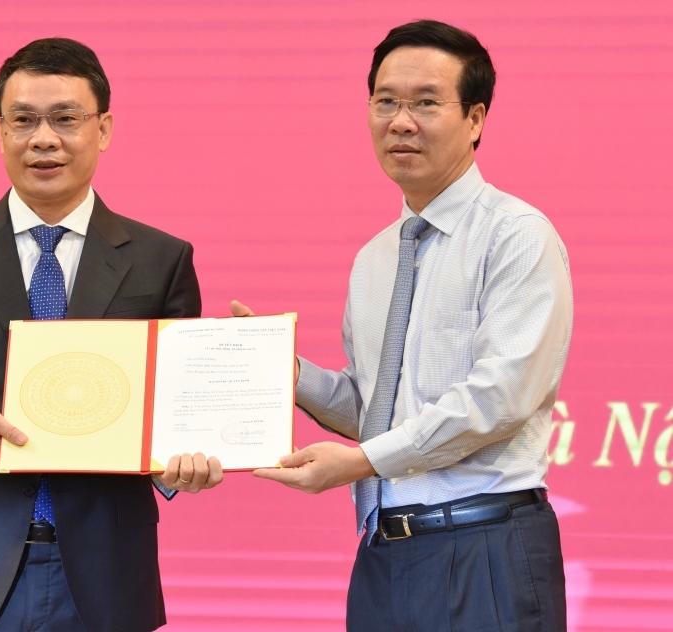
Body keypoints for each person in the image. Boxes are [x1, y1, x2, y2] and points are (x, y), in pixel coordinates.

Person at [0, 38, 222, 632]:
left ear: (103, 129)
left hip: (106, 577)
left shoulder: (162, 260)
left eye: (66, 119)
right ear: (0, 131)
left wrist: (183, 460)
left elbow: (178, 412)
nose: (44, 138)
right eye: (23, 120)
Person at [235, 19, 572, 631]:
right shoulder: (376, 257)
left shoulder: (516, 234)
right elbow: (378, 408)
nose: (400, 122)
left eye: (426, 103)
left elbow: (499, 398)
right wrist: (286, 374)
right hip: (384, 552)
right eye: (385, 101)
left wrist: (362, 461)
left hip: (485, 545)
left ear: (475, 119)